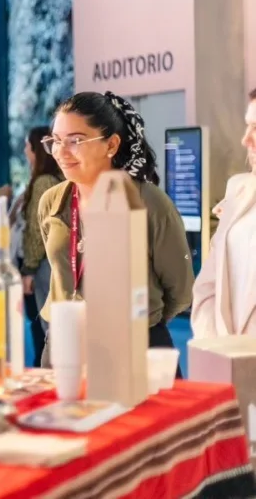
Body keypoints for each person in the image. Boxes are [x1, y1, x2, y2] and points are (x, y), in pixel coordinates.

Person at [37, 91, 193, 368]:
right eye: (56, 141)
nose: (61, 152)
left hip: (135, 346)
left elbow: (180, 291)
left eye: (75, 141)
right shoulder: (52, 201)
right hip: (64, 345)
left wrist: (145, 318)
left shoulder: (149, 202)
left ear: (111, 145)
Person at [192, 89, 256, 337]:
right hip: (225, 355)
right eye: (248, 125)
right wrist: (216, 347)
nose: (246, 139)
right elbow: (208, 288)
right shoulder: (238, 190)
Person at [12, 126, 62, 366]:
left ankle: (49, 374)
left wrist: (28, 269)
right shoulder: (58, 179)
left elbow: (37, 230)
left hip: (43, 267)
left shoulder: (43, 182)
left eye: (28, 146)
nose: (25, 150)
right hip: (54, 262)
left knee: (48, 327)